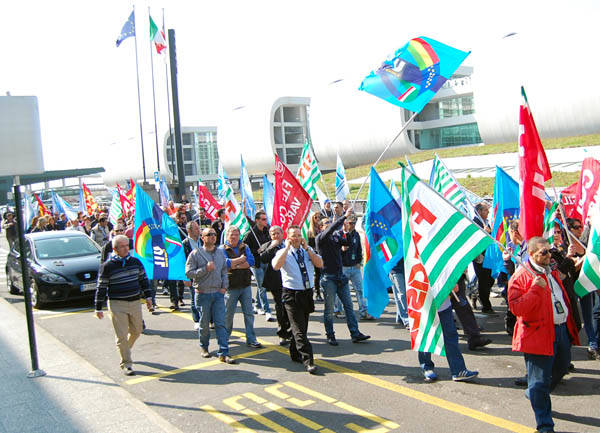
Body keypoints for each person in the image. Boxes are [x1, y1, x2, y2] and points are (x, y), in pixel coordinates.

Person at [508, 236, 580, 433]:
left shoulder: (552, 271)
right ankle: (545, 424)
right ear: (531, 254)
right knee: (539, 382)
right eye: (544, 252)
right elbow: (516, 308)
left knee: (562, 367)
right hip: (538, 333)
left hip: (560, 330)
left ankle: (535, 393)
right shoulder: (521, 276)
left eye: (549, 250)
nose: (549, 255)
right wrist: (534, 289)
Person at [94, 235, 153, 375]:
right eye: (122, 246)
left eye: (127, 245)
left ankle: (125, 349)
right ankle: (126, 363)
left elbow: (143, 280)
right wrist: (98, 307)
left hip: (134, 302)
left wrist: (149, 297)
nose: (126, 248)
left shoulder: (135, 262)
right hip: (117, 303)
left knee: (137, 330)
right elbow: (101, 287)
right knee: (121, 335)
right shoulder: (107, 266)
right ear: (115, 249)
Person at [272, 225, 323, 373]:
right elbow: (276, 266)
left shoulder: (307, 251)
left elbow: (320, 264)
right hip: (291, 294)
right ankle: (308, 361)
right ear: (288, 238)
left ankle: (294, 353)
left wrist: (308, 249)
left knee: (303, 327)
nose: (296, 238)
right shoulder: (283, 252)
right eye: (293, 235)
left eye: (299, 235)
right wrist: (287, 248)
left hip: (306, 293)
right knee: (299, 329)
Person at [316, 208, 370, 346]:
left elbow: (348, 243)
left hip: (341, 276)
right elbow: (330, 230)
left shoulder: (335, 237)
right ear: (321, 227)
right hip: (328, 278)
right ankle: (330, 335)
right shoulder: (320, 238)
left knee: (349, 306)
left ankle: (355, 333)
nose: (329, 224)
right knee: (329, 310)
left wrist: (346, 231)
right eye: (326, 223)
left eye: (329, 222)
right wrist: (342, 218)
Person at [185, 227, 235, 363]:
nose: (213, 237)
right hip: (203, 294)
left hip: (218, 294)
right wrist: (204, 269)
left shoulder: (220, 253)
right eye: (209, 235)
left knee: (220, 323)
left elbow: (224, 271)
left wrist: (224, 287)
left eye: (214, 234)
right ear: (203, 238)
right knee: (204, 323)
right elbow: (189, 273)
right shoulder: (195, 254)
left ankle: (224, 351)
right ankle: (204, 347)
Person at [418, 282, 479, 383]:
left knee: (450, 336)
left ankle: (458, 370)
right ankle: (427, 367)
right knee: (426, 336)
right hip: (424, 303)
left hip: (444, 304)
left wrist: (453, 281)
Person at [220, 226, 262, 348]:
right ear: (227, 235)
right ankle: (225, 337)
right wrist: (240, 260)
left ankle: (251, 338)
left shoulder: (245, 247)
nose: (234, 236)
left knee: (249, 314)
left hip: (245, 285)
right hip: (231, 286)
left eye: (236, 234)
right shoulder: (222, 249)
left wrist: (235, 264)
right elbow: (224, 263)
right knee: (228, 314)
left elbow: (251, 261)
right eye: (231, 234)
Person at [259, 225, 293, 345]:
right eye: (273, 234)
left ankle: (292, 331)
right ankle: (282, 333)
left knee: (291, 307)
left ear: (282, 234)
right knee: (280, 306)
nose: (275, 235)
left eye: (277, 233)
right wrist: (271, 247)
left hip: (291, 280)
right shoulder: (268, 246)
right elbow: (262, 258)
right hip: (276, 281)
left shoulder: (289, 244)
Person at [243, 211, 274, 321]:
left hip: (266, 261)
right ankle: (267, 310)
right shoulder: (250, 234)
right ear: (257, 220)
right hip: (257, 263)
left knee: (262, 285)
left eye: (266, 219)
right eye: (263, 219)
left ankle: (257, 305)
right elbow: (244, 248)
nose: (266, 221)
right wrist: (256, 251)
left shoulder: (267, 231)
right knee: (262, 286)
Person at [341, 216, 372, 320]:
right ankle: (339, 310)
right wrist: (341, 249)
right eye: (350, 223)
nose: (352, 225)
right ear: (345, 223)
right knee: (342, 291)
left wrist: (359, 261)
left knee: (360, 290)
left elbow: (359, 249)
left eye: (354, 223)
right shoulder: (340, 235)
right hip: (344, 267)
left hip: (355, 267)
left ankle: (363, 311)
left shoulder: (356, 234)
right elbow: (334, 251)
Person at [472, 202, 495, 314]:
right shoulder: (474, 222)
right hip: (480, 257)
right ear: (479, 211)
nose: (488, 212)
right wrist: (484, 234)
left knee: (491, 279)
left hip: (489, 256)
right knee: (484, 281)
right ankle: (486, 306)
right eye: (485, 210)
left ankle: (476, 294)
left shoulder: (485, 223)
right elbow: (474, 240)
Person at [183, 221, 202, 329]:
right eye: (196, 229)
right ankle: (197, 320)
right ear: (189, 231)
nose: (198, 230)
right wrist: (185, 277)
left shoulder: (202, 241)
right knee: (194, 298)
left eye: (198, 228)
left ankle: (210, 319)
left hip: (205, 273)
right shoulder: (185, 244)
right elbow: (182, 262)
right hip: (192, 274)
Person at [307, 212, 323, 301]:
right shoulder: (311, 231)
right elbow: (310, 245)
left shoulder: (322, 229)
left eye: (319, 217)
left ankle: (320, 290)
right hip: (315, 254)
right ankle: (317, 292)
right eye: (316, 217)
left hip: (323, 254)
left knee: (321, 274)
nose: (318, 219)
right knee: (317, 274)